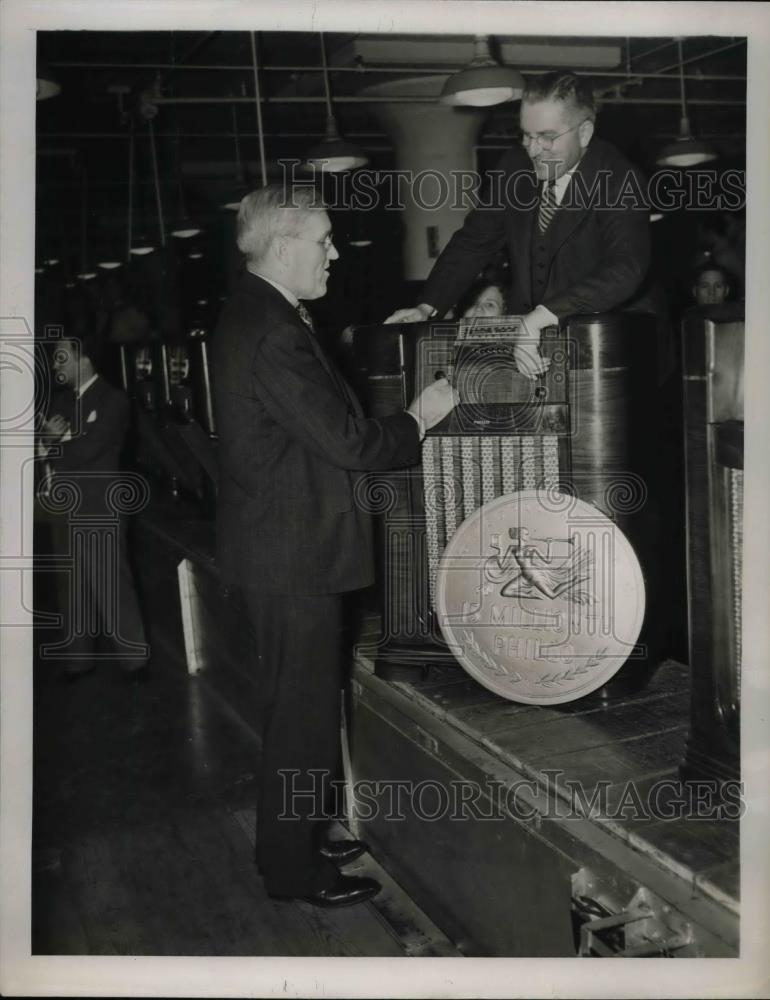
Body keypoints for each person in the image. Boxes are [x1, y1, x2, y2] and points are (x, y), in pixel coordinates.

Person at [212, 184, 456, 908]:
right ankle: (292, 870)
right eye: (323, 240)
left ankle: (297, 835)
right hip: (294, 555)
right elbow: (348, 443)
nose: (335, 251)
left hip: (279, 546)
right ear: (285, 247)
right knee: (302, 719)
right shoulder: (275, 331)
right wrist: (422, 415)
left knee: (299, 711)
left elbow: (303, 411)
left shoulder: (256, 314)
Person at [385, 71, 654, 376]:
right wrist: (427, 306)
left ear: (584, 133)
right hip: (527, 344)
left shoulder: (620, 179)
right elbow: (474, 241)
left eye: (547, 137)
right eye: (526, 134)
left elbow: (626, 266)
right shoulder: (514, 167)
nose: (533, 149)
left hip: (603, 352)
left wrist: (543, 316)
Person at [36, 335, 150, 682]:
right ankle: (78, 660)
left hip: (99, 504)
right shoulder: (58, 402)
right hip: (63, 504)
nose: (56, 366)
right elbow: (45, 444)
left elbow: (91, 451)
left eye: (61, 358)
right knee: (70, 585)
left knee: (110, 580)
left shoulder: (114, 400)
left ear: (83, 359)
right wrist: (48, 441)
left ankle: (134, 661)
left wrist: (52, 443)